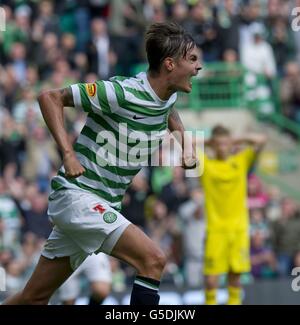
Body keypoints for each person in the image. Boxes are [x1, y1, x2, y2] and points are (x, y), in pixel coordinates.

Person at [3, 21, 201, 305]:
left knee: (34, 297)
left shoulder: (164, 97)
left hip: (100, 202)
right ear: (169, 64)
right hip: (79, 197)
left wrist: (184, 143)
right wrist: (68, 154)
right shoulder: (121, 92)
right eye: (192, 59)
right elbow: (49, 98)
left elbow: (169, 112)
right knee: (153, 259)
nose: (198, 67)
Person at [200, 125, 266, 305]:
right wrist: (211, 142)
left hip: (238, 229)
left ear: (231, 144)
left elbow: (261, 139)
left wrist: (235, 139)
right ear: (213, 145)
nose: (222, 147)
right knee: (211, 279)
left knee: (235, 277)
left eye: (225, 143)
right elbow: (180, 140)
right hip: (215, 230)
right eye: (218, 144)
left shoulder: (241, 160)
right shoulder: (207, 164)